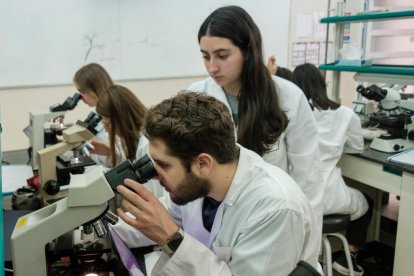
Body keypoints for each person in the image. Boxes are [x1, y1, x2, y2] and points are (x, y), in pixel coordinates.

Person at [114, 92, 321, 275]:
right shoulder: (199, 186)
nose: (154, 176)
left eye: (163, 165)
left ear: (203, 163)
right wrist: (98, 225)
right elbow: (156, 219)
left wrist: (171, 239)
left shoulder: (275, 207)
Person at [187, 5, 324, 239]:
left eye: (222, 55)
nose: (212, 67)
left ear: (248, 51)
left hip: (271, 216)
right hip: (212, 217)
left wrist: (306, 240)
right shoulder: (196, 96)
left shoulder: (288, 96)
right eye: (205, 56)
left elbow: (308, 176)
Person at [292, 63, 373, 276]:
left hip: (295, 198)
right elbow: (356, 146)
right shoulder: (346, 114)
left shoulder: (290, 115)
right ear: (322, 84)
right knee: (367, 201)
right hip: (330, 196)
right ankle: (349, 257)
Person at [92, 84, 165, 198]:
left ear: (121, 118)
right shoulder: (136, 139)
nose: (107, 129)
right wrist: (109, 152)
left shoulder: (146, 143)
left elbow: (157, 195)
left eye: (108, 124)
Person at [73, 63, 114, 165]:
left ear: (93, 90)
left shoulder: (113, 114)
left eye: (81, 92)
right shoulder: (98, 112)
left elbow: (118, 156)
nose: (80, 97)